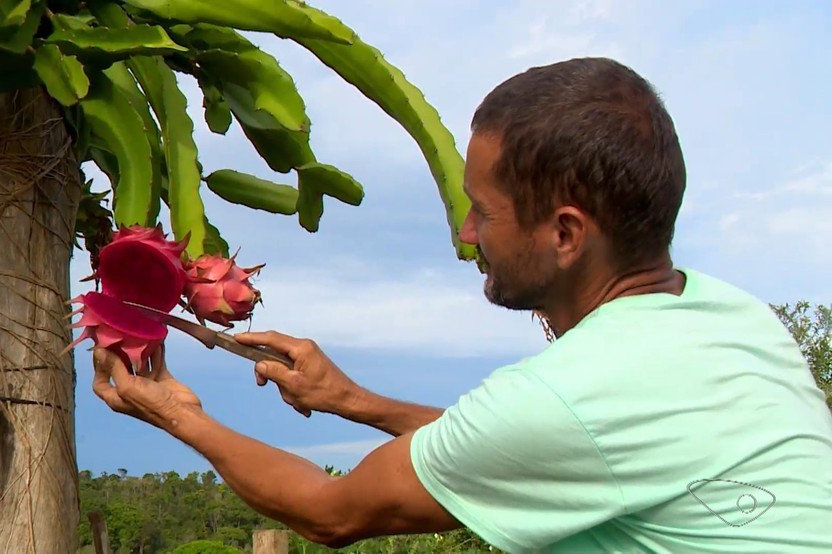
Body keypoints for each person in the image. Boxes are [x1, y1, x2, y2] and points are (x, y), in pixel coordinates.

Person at [92, 58, 832, 552]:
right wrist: (353, 400)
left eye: (483, 211)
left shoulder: (564, 396)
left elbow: (332, 511)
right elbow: (538, 441)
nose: (465, 231)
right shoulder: (730, 316)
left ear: (566, 232)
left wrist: (176, 414)